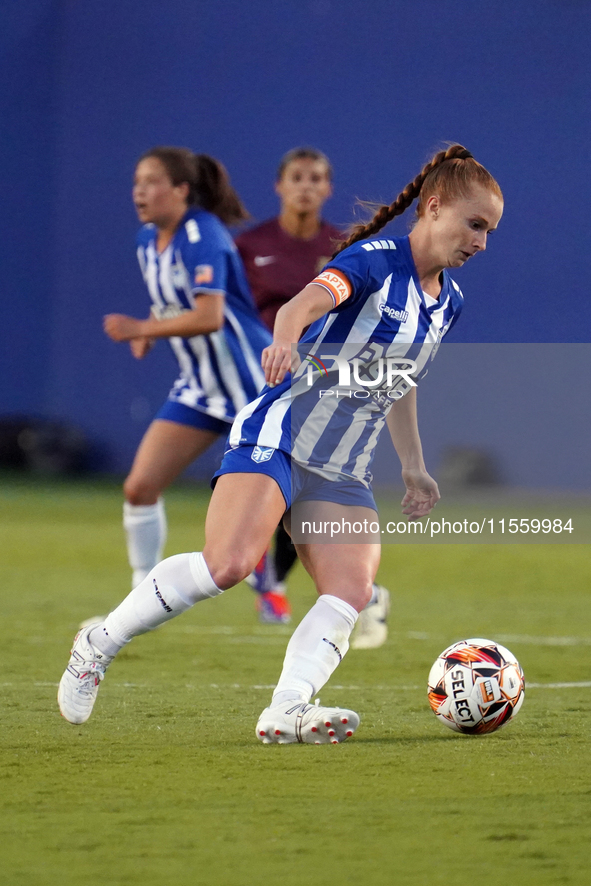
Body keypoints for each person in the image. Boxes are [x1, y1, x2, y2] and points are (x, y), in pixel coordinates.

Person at [58, 144, 504, 745]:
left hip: (343, 465)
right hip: (282, 432)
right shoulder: (372, 260)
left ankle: (285, 709)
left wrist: (415, 467)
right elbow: (300, 305)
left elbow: (400, 383)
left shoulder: (446, 303)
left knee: (351, 592)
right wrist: (286, 342)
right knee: (229, 565)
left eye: (490, 231)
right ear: (433, 206)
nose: (481, 241)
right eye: (475, 224)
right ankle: (97, 645)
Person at [235, 147, 391, 645]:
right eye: (296, 177)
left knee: (300, 489)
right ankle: (332, 588)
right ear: (279, 186)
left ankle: (308, 585)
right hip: (251, 380)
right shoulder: (250, 245)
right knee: (275, 489)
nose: (305, 186)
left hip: (321, 389)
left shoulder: (345, 246)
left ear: (328, 189)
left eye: (316, 178)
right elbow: (228, 311)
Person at [103, 147, 271, 592]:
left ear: (181, 190)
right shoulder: (146, 240)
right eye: (137, 181)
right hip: (199, 388)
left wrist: (143, 327)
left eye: (152, 181)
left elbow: (209, 315)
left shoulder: (203, 234)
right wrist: (148, 331)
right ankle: (141, 594)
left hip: (252, 385)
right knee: (140, 488)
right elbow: (171, 304)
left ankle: (359, 597)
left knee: (298, 508)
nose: (140, 191)